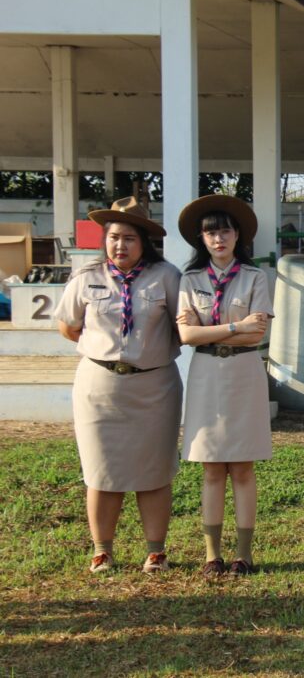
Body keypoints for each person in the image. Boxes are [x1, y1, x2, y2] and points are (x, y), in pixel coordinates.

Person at [54, 196, 182, 574]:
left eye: (128, 238)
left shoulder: (166, 277)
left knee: (155, 471)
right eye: (113, 237)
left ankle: (156, 551)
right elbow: (68, 325)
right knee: (101, 471)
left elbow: (183, 325)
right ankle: (102, 551)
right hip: (100, 388)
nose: (120, 245)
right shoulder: (86, 277)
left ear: (144, 241)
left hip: (154, 388)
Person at [176, 195, 273, 576]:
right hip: (206, 375)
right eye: (211, 233)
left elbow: (257, 334)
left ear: (238, 236)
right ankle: (211, 555)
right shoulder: (189, 280)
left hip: (244, 373)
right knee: (212, 468)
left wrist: (213, 331)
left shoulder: (254, 277)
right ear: (201, 239)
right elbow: (187, 336)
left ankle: (243, 555)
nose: (219, 239)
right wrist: (236, 326)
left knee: (243, 467)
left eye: (226, 231)